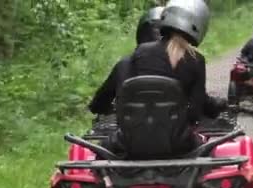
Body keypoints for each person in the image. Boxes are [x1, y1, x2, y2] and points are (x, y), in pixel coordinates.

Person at [88, 2, 226, 121]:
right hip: (178, 142)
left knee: (105, 146)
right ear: (199, 25)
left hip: (132, 140)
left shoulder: (140, 52)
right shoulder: (196, 60)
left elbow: (130, 92)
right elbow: (195, 113)